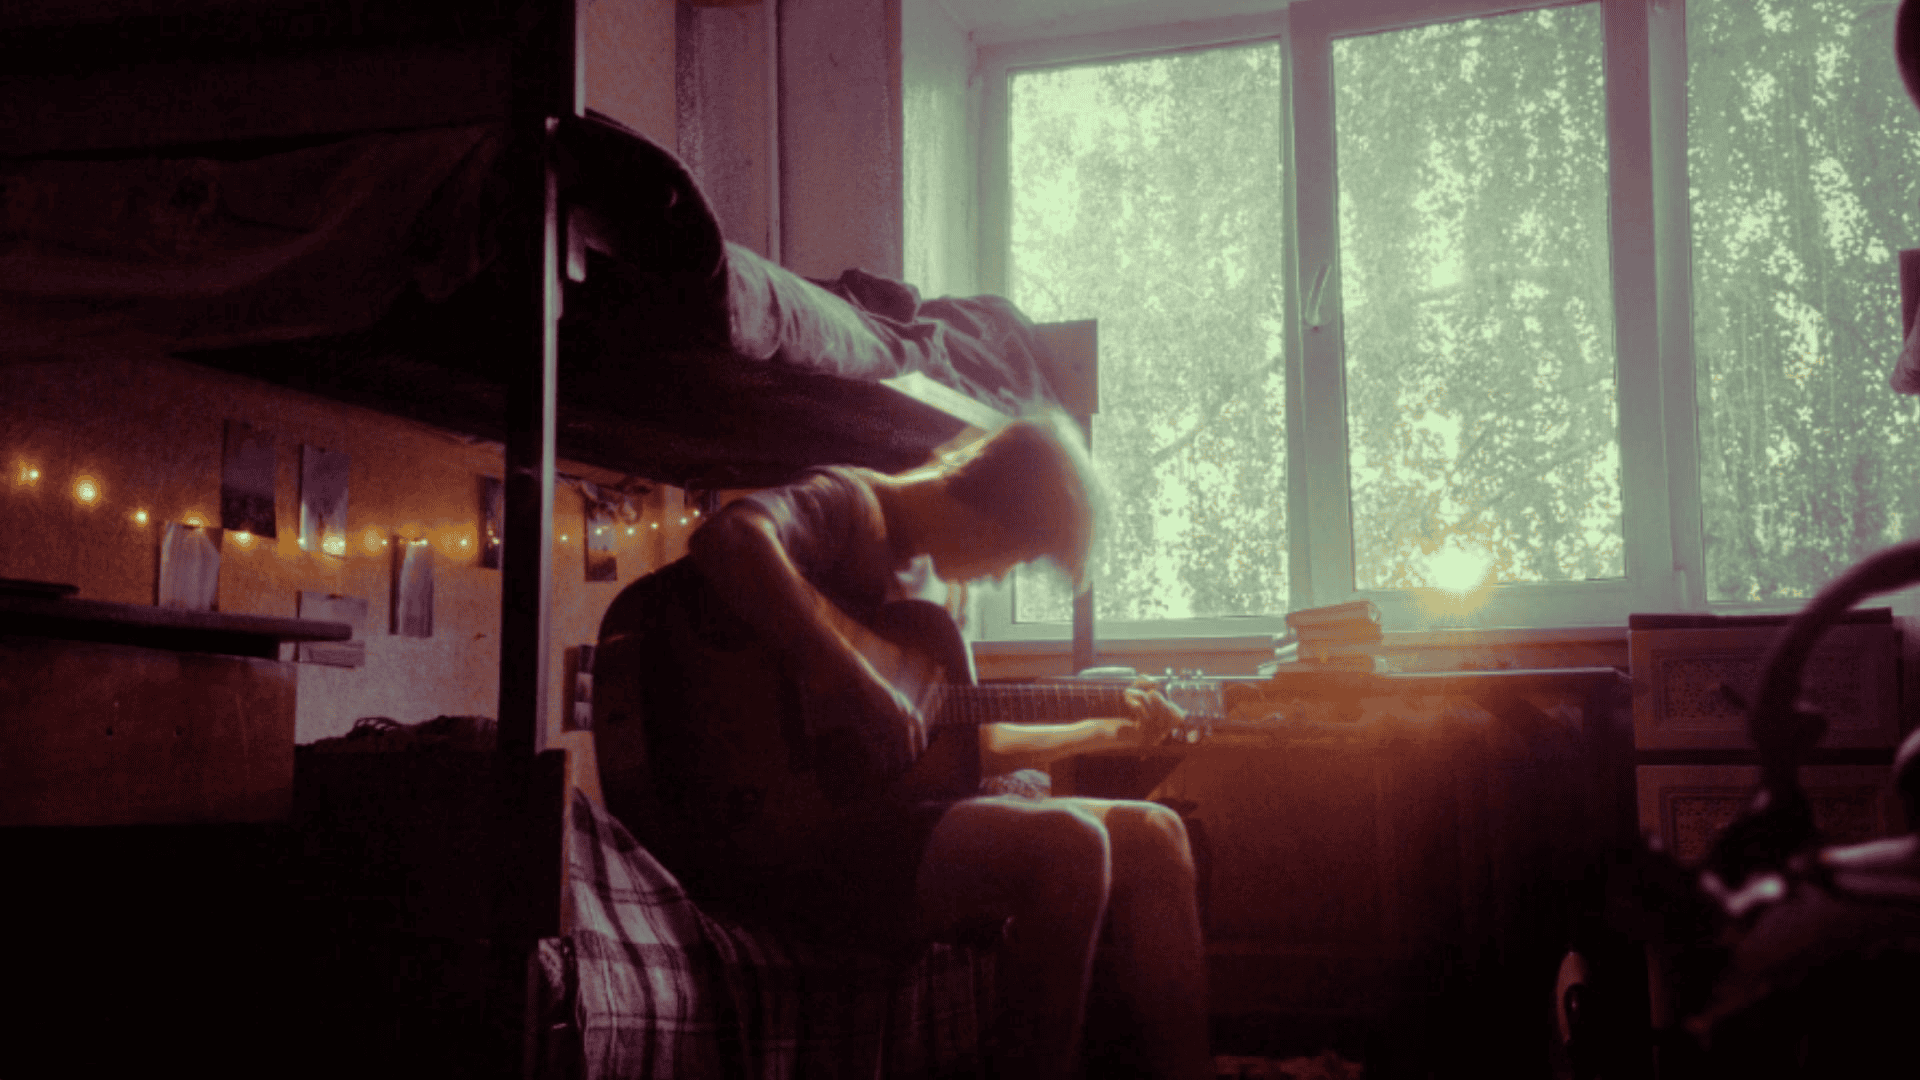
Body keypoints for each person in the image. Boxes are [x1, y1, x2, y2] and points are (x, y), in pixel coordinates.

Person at [598, 408, 1210, 1080]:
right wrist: (850, 676)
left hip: (883, 829)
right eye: (1016, 555)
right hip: (777, 831)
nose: (1000, 576)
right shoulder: (853, 506)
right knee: (1072, 845)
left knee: (1158, 836)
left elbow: (966, 746)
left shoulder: (936, 589)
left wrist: (1097, 730)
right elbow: (729, 537)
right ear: (993, 513)